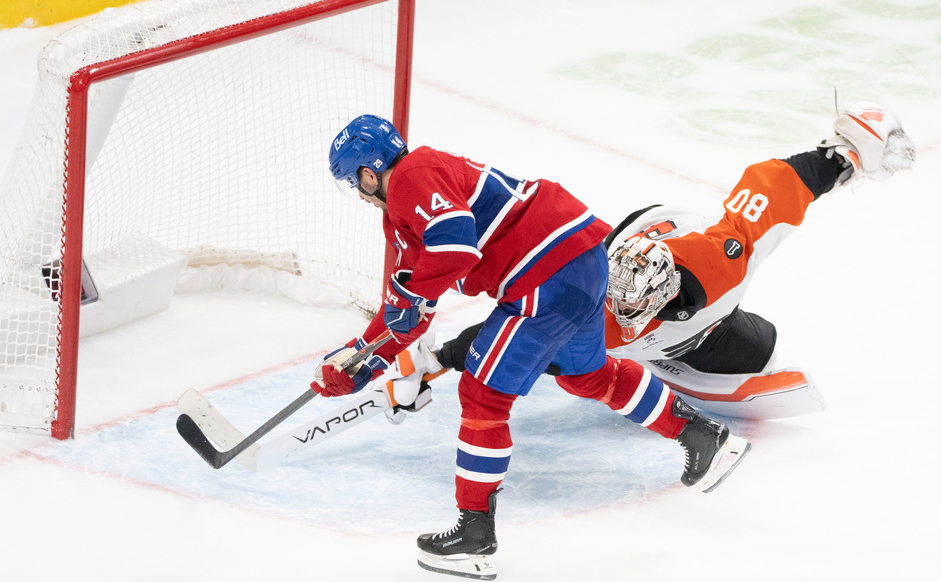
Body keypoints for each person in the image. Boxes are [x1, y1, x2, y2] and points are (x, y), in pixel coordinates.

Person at [314, 114, 750, 580]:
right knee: (587, 376)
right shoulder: (404, 212)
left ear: (369, 172)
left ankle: (473, 536)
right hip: (580, 260)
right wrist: (360, 359)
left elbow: (454, 250)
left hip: (545, 274)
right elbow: (407, 307)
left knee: (483, 394)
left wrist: (409, 302)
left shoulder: (412, 177)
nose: (358, 194)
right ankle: (705, 437)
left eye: (354, 182)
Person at [434, 102, 917, 421]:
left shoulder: (722, 263)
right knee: (556, 343)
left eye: (631, 307)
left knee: (761, 349)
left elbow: (773, 189)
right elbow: (511, 337)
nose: (620, 312)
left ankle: (677, 347)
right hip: (645, 231)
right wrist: (440, 357)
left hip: (701, 316)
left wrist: (843, 157)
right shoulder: (592, 305)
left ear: (669, 300)